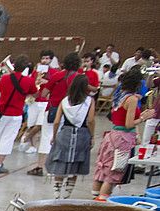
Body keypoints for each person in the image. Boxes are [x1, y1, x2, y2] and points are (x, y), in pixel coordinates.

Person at [93, 69, 154, 200]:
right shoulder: (131, 99)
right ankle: (102, 201)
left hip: (112, 135)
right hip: (122, 139)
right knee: (113, 172)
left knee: (103, 169)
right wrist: (144, 118)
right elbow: (129, 124)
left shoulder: (119, 96)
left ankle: (94, 197)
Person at [0, 55, 37, 174]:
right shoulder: (28, 80)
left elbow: (0, 91)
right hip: (15, 114)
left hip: (1, 112)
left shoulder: (5, 78)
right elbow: (34, 94)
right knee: (7, 139)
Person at [29, 52, 83, 177]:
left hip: (53, 109)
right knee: (65, 140)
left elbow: (44, 94)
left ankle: (40, 166)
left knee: (46, 138)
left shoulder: (57, 75)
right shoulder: (79, 78)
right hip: (71, 113)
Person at [45, 75, 95, 199]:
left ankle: (56, 192)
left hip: (65, 133)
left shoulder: (65, 101)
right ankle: (67, 195)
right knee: (76, 164)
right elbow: (90, 120)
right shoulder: (89, 101)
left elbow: (57, 121)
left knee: (60, 162)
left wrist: (54, 135)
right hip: (82, 134)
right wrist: (92, 136)